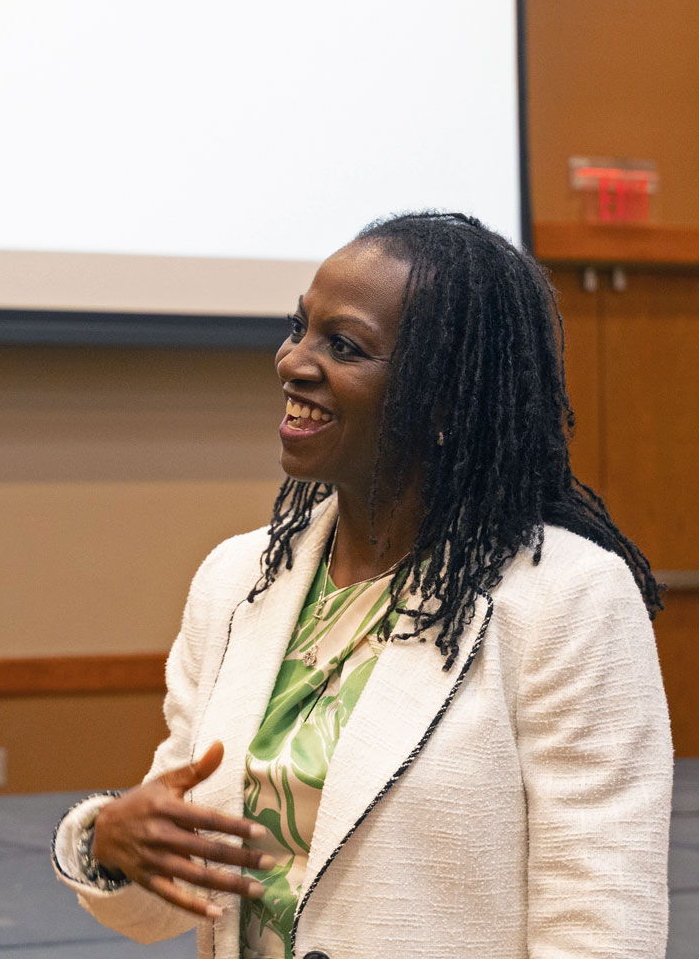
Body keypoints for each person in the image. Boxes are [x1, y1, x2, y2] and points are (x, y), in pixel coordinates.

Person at [50, 212, 672, 958]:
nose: (293, 361)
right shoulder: (236, 581)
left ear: (444, 401)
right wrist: (110, 840)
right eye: (299, 328)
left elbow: (602, 919)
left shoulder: (567, 598)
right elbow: (171, 894)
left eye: (343, 346)